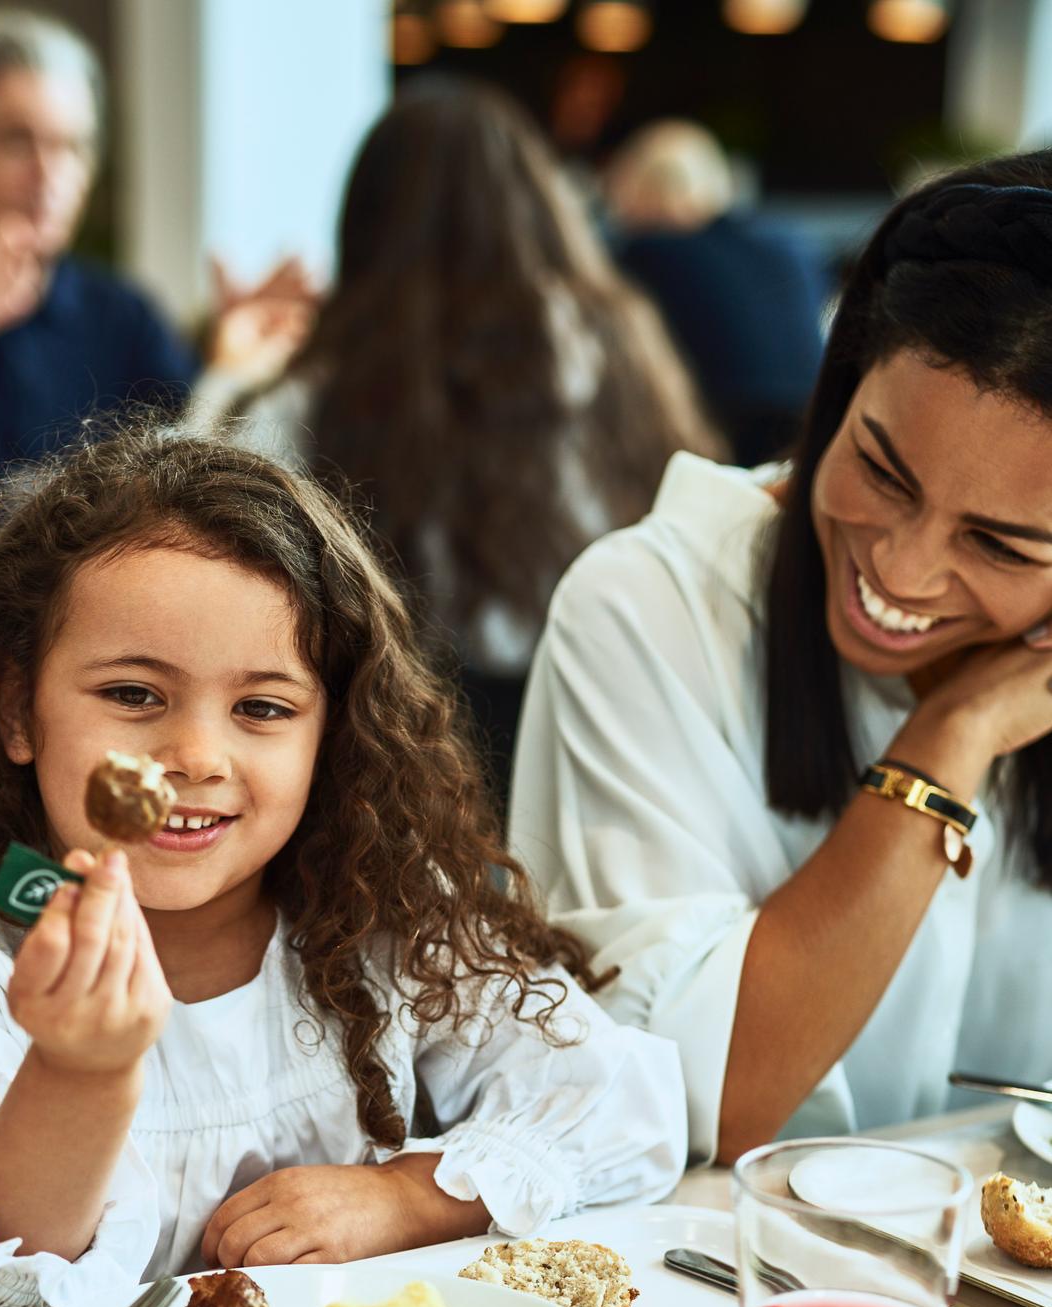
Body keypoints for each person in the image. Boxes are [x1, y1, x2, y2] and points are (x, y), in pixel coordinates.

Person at [0, 425, 686, 1307]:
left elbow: (624, 1108)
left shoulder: (376, 907)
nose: (196, 757)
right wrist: (79, 1072)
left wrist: (404, 1201)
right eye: (133, 695)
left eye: (262, 709)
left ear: (333, 737)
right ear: (17, 710)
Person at [508, 155, 1052, 1166]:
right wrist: (951, 734)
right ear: (840, 390)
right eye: (879, 471)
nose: (900, 566)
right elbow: (721, 1095)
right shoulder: (648, 606)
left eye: (997, 545)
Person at [198, 85, 720, 813]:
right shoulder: (616, 354)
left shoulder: (331, 389)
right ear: (536, 207)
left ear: (368, 225)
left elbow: (202, 523)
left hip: (392, 777)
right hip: (609, 752)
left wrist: (230, 369)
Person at [0, 10, 307, 559]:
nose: (50, 176)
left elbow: (195, 484)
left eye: (72, 147)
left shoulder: (121, 315)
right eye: (18, 142)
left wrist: (233, 370)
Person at [605, 121, 828, 468]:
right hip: (813, 436)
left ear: (637, 190)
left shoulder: (647, 254)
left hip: (718, 447)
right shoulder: (790, 243)